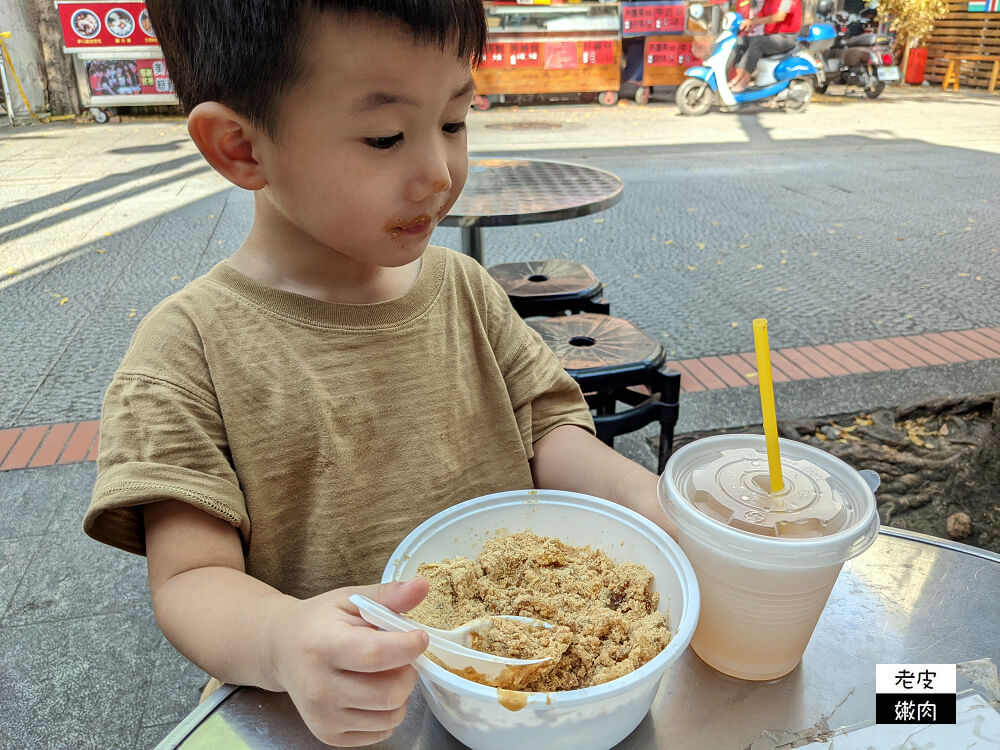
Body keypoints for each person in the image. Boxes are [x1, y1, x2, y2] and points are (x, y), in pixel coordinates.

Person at [82, 1, 677, 747]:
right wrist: (283, 638)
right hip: (336, 714)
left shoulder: (464, 289)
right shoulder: (186, 351)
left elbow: (548, 428)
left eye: (455, 121)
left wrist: (651, 503)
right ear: (241, 146)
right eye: (386, 136)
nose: (437, 173)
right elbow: (189, 582)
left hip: (521, 699)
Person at [729, 0, 803, 92]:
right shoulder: (768, 1)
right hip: (771, 36)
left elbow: (780, 16)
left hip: (786, 37)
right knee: (742, 41)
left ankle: (744, 81)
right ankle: (739, 76)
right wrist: (746, 23)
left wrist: (753, 21)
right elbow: (760, 15)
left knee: (757, 42)